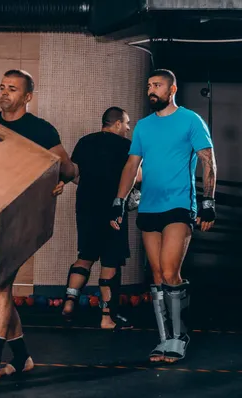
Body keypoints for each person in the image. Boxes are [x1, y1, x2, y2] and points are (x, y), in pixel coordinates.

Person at [110, 69, 216, 363]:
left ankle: (180, 337)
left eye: (157, 85)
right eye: (148, 86)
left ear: (172, 89)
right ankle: (164, 339)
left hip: (179, 205)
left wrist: (208, 201)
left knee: (170, 272)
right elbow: (132, 166)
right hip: (149, 207)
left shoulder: (191, 120)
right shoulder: (143, 127)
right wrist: (119, 200)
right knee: (156, 276)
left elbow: (208, 161)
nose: (151, 90)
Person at [0, 69, 76, 378]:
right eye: (2, 87)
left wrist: (58, 178)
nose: (5, 93)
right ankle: (22, 357)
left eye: (12, 89)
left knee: (1, 285)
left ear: (27, 97)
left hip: (21, 216)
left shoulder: (41, 130)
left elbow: (68, 168)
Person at [61, 107, 140, 330]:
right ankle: (107, 317)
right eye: (126, 123)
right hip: (112, 209)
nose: (127, 127)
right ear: (116, 124)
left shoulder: (85, 142)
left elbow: (75, 174)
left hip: (85, 207)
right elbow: (137, 176)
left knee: (85, 256)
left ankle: (69, 301)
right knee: (110, 262)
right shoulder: (127, 146)